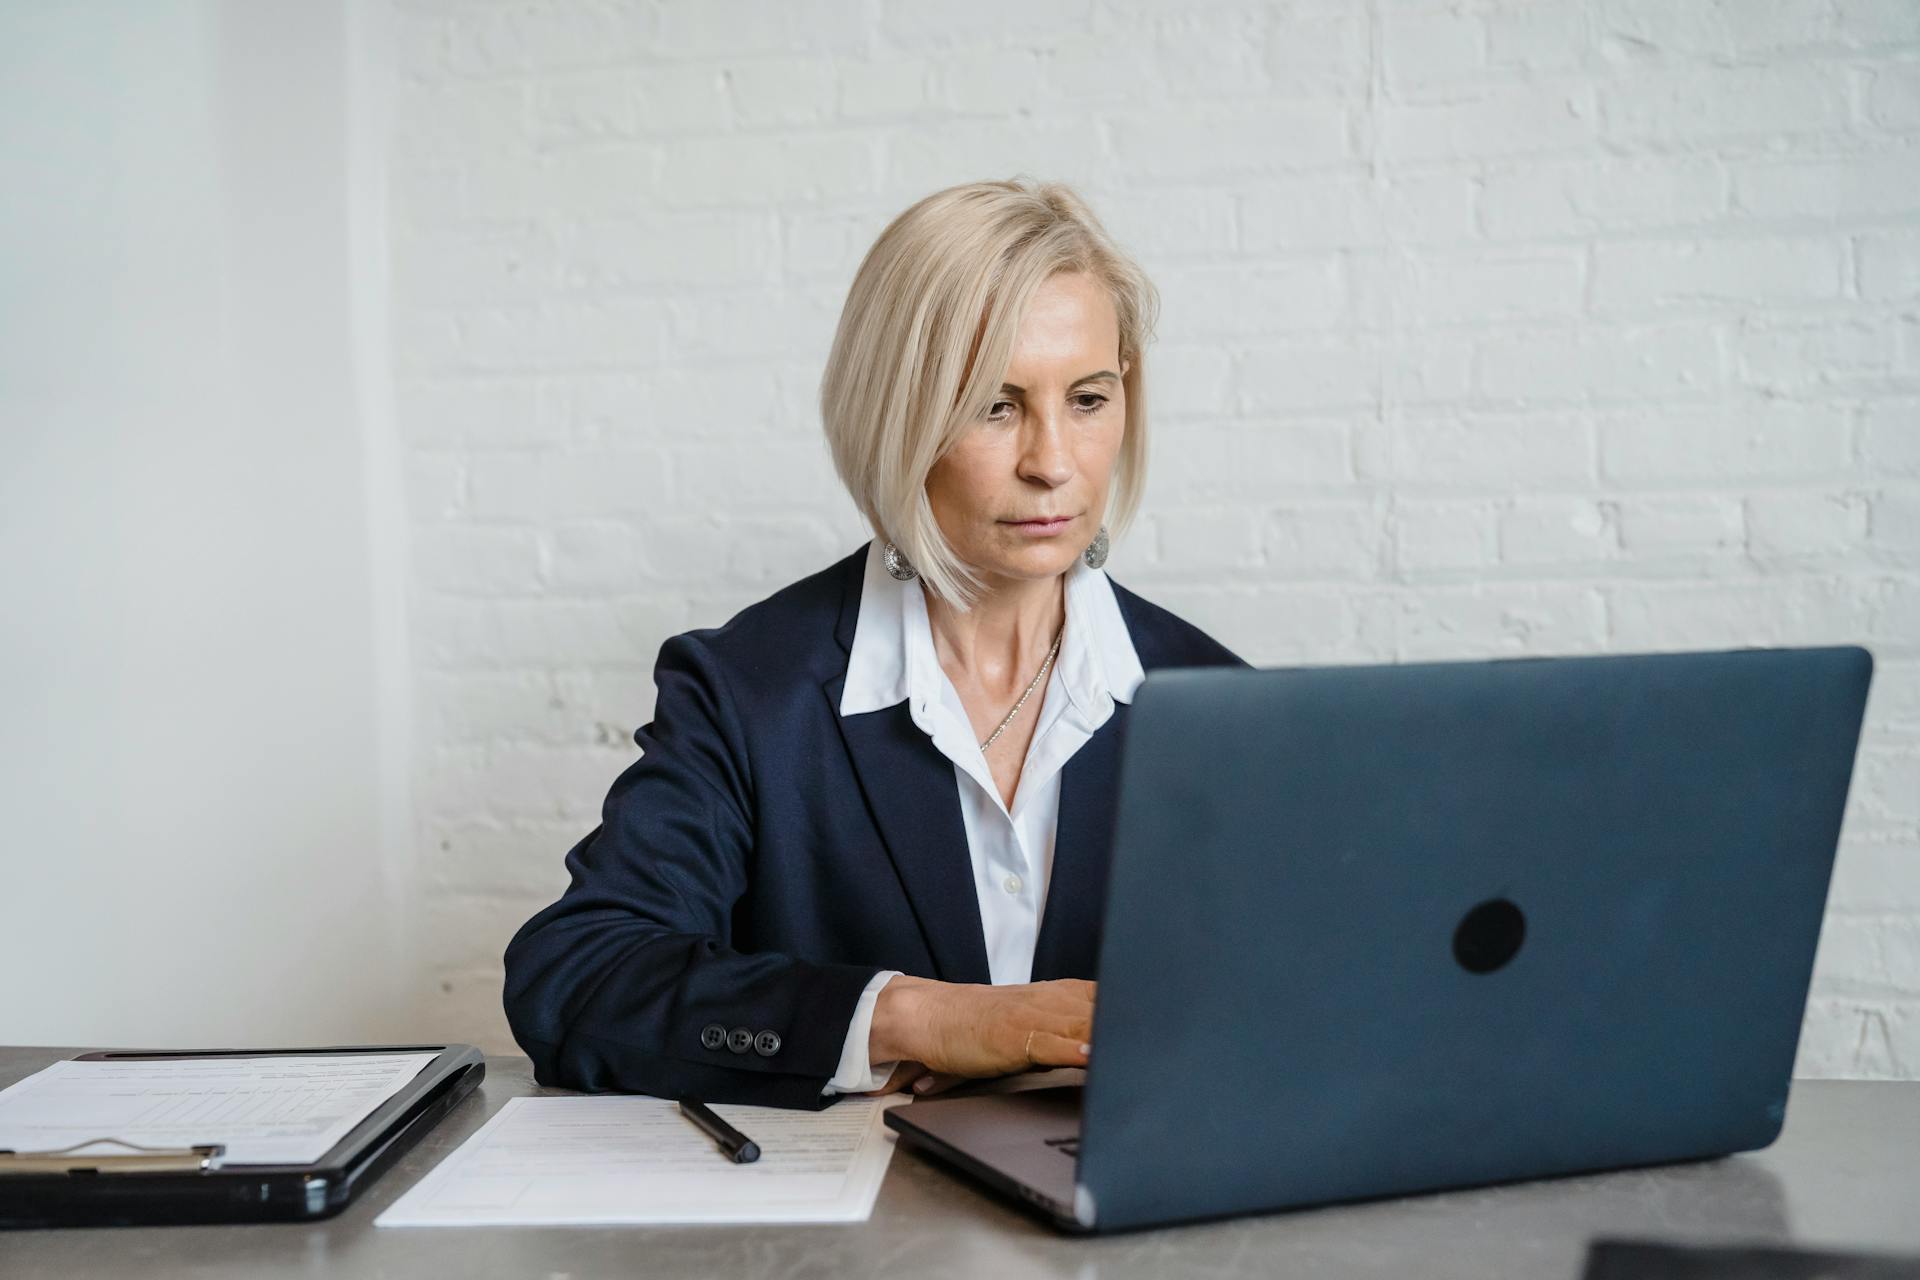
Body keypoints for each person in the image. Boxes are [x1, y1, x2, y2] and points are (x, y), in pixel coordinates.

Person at [502, 176, 1248, 1109]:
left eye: (1089, 399)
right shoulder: (748, 693)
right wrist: (918, 1017)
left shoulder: (1220, 703)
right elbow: (575, 976)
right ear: (898, 417)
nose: (1054, 461)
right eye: (996, 406)